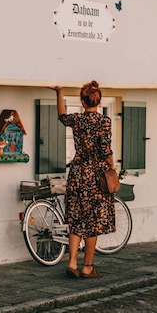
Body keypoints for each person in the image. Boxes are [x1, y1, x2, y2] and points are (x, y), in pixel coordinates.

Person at [50, 81, 116, 278]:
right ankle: (87, 266)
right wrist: (112, 167)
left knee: (76, 219)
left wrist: (59, 92)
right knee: (93, 221)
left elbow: (61, 116)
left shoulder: (77, 120)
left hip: (78, 173)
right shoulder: (104, 121)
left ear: (82, 101)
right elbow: (105, 150)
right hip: (96, 176)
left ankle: (71, 263)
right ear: (99, 101)